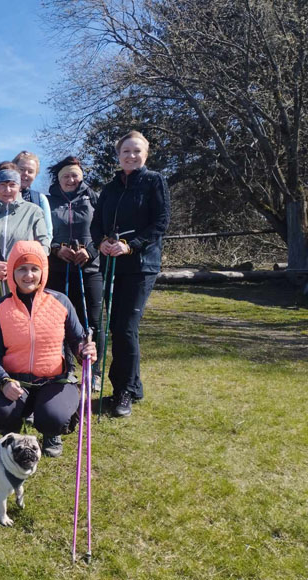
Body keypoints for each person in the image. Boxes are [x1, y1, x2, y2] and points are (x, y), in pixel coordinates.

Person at [0, 241, 97, 457]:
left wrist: (85, 351)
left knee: (53, 416)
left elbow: (77, 340)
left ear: (43, 271)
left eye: (34, 269)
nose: (28, 275)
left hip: (54, 381)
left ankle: (51, 430)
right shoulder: (0, 307)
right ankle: (11, 431)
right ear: (11, 272)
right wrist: (3, 381)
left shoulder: (60, 301)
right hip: (16, 382)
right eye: (22, 269)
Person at [91, 130, 170, 418]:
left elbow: (160, 222)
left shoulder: (154, 181)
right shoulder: (110, 188)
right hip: (112, 263)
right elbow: (96, 223)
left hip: (140, 265)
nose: (131, 156)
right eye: (126, 151)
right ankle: (133, 386)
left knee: (125, 327)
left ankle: (122, 390)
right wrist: (102, 242)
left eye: (136, 151)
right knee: (118, 327)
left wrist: (131, 246)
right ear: (118, 155)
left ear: (145, 154)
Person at [0, 162, 51, 330]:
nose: (8, 190)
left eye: (12, 185)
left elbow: (44, 247)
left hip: (23, 289)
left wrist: (19, 267)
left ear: (19, 186)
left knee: (20, 341)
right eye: (2, 185)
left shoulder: (33, 212)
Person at [47, 156, 103, 389]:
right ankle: (65, 367)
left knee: (92, 319)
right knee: (59, 321)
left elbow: (104, 229)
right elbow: (43, 233)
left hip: (89, 268)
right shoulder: (47, 201)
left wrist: (90, 251)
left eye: (75, 175)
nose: (70, 180)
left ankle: (94, 371)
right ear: (58, 179)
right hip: (58, 268)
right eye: (65, 176)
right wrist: (55, 249)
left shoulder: (93, 198)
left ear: (81, 177)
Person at [12, 151, 53, 239]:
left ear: (35, 175)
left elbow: (47, 233)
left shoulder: (39, 199)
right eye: (21, 170)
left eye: (30, 171)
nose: (25, 173)